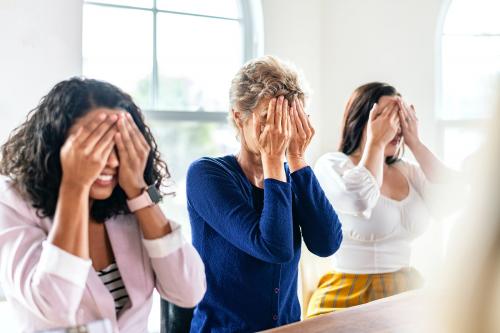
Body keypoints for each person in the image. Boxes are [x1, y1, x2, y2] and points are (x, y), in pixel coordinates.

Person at [0, 78, 206, 333]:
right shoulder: (12, 201)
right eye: (93, 145)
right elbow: (54, 304)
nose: (109, 160)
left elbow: (189, 291)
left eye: (119, 146)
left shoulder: (125, 203)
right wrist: (75, 187)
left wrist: (139, 192)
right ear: (57, 144)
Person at [186, 56, 343, 332]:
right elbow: (274, 247)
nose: (280, 131)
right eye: (269, 119)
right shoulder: (206, 175)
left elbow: (327, 243)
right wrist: (274, 161)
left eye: (288, 120)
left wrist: (296, 158)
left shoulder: (288, 176)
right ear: (239, 117)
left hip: (287, 328)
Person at [307, 82, 457, 317]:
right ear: (362, 120)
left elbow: (452, 201)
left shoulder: (407, 170)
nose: (395, 126)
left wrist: (415, 143)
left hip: (406, 290)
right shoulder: (332, 165)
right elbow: (360, 198)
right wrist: (375, 142)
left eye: (401, 117)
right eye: (387, 116)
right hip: (347, 293)